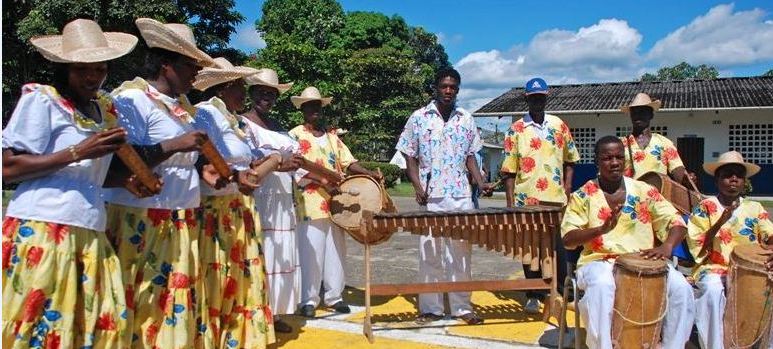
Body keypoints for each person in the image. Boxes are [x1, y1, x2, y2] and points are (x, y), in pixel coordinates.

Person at [2, 19, 136, 348]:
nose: (93, 77)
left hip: (90, 228)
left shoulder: (105, 109)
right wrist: (78, 150)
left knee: (92, 320)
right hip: (46, 227)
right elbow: (7, 168)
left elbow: (92, 173)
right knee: (39, 324)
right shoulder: (42, 100)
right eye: (82, 70)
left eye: (100, 69)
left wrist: (127, 180)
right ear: (64, 68)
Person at [103, 18, 215, 348]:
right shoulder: (132, 99)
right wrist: (175, 145)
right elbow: (122, 158)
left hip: (183, 214)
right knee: (142, 296)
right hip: (143, 215)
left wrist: (200, 168)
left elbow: (186, 160)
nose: (196, 73)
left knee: (174, 299)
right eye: (189, 65)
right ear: (165, 64)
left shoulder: (183, 108)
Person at [561, 136, 695, 349]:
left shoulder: (644, 191)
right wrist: (600, 230)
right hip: (599, 262)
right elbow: (568, 239)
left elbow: (676, 222)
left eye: (618, 157)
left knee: (681, 289)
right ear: (596, 161)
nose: (614, 162)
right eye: (607, 158)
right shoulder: (583, 195)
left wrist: (668, 245)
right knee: (602, 287)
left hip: (642, 260)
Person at [191, 57, 276, 347]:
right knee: (215, 276)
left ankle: (233, 337)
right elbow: (206, 162)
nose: (244, 92)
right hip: (215, 210)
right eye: (240, 86)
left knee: (238, 277)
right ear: (223, 87)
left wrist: (273, 161)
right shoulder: (205, 114)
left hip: (239, 208)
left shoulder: (234, 120)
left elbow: (249, 164)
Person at [396, 67, 492, 325]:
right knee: (430, 253)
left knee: (461, 253)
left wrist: (481, 183)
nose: (448, 91)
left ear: (458, 90)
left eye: (453, 87)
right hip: (431, 196)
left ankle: (462, 307)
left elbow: (471, 156)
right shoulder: (419, 118)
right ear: (436, 88)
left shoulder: (466, 118)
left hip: (460, 194)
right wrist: (417, 186)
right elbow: (409, 154)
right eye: (444, 86)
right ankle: (431, 308)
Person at [289, 86, 381, 318]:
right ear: (303, 109)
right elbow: (295, 168)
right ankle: (308, 299)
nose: (315, 111)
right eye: (310, 107)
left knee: (336, 250)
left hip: (337, 202)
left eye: (318, 107)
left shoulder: (332, 138)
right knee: (311, 252)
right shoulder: (295, 135)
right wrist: (321, 182)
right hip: (309, 201)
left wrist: (369, 173)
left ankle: (334, 296)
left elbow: (349, 163)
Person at [499, 77, 579, 313]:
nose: (537, 101)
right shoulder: (515, 130)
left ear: (546, 98)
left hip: (556, 199)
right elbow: (509, 170)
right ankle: (533, 293)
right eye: (533, 97)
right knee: (530, 249)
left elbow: (570, 160)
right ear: (527, 99)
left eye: (540, 97)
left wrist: (567, 187)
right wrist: (511, 203)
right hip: (527, 199)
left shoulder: (559, 125)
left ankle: (565, 292)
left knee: (560, 247)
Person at [686, 151, 773, 349]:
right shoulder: (706, 207)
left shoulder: (755, 207)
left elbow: (769, 234)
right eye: (727, 174)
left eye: (738, 175)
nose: (733, 179)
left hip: (749, 269)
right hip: (714, 267)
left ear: (744, 182)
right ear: (717, 180)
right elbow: (698, 245)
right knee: (712, 290)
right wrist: (720, 222)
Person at [240, 68, 304, 333]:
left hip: (282, 200)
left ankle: (275, 312)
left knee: (281, 254)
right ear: (251, 93)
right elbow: (250, 159)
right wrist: (278, 162)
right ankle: (255, 309)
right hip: (259, 196)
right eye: (261, 92)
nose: (266, 98)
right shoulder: (243, 123)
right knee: (259, 253)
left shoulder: (281, 128)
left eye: (271, 94)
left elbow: (297, 161)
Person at [619, 92, 694, 185]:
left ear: (651, 115)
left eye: (642, 111)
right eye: (634, 112)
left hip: (657, 197)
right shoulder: (620, 144)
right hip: (630, 197)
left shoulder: (664, 143)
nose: (637, 115)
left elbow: (677, 169)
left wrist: (686, 179)